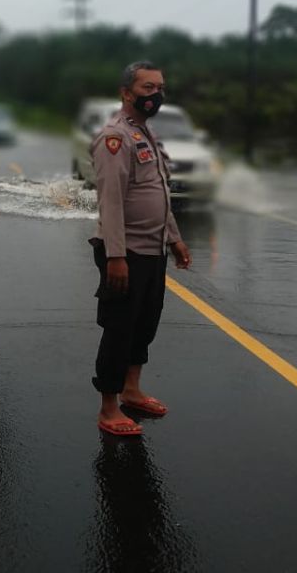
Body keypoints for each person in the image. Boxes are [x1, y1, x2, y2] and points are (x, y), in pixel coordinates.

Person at [90, 61, 192, 436]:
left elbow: (158, 195)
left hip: (153, 251)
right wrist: (116, 256)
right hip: (127, 252)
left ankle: (132, 390)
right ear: (126, 93)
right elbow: (112, 201)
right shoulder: (114, 138)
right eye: (147, 88)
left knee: (144, 325)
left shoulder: (146, 135)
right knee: (119, 328)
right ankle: (108, 407)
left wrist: (175, 238)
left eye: (160, 87)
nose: (156, 95)